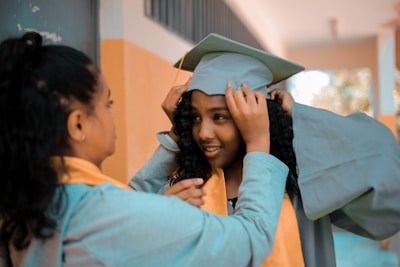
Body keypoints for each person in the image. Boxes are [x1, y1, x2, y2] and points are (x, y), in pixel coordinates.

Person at [0, 32, 289, 267]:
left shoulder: (31, 200)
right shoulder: (107, 213)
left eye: (220, 117)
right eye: (107, 103)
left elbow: (126, 200)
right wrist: (258, 143)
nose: (203, 132)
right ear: (77, 125)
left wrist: (176, 138)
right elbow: (252, 238)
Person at [130, 33, 400, 267]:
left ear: (256, 116)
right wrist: (177, 133)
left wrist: (298, 116)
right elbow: (128, 216)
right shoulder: (186, 189)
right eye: (195, 117)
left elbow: (382, 156)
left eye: (220, 117)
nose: (203, 132)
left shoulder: (298, 186)